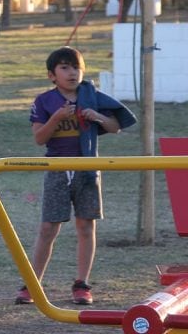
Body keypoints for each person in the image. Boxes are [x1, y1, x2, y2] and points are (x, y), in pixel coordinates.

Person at [15, 46, 136, 306]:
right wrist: (57, 118)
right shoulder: (44, 101)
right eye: (65, 67)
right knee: (48, 228)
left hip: (88, 169)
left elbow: (115, 128)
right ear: (52, 75)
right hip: (57, 169)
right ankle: (32, 284)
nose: (72, 73)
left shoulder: (91, 97)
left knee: (86, 225)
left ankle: (81, 284)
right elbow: (39, 139)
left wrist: (99, 117)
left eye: (77, 67)